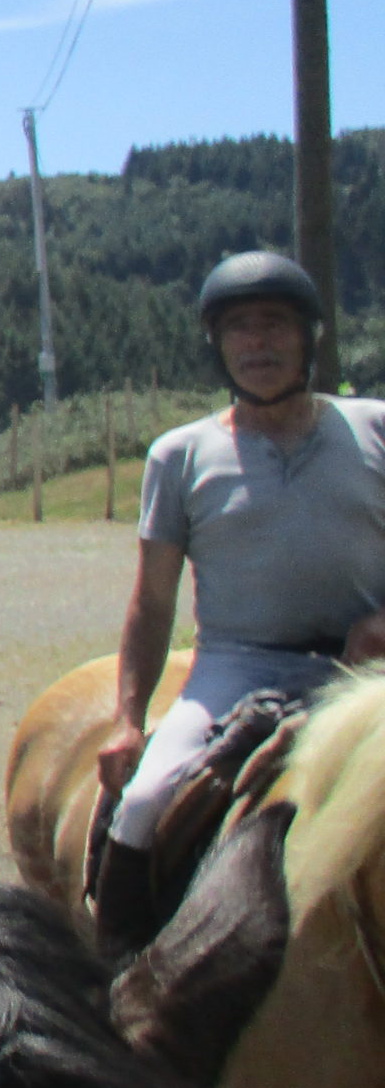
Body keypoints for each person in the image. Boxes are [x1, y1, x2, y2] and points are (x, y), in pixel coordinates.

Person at [91, 250, 385, 960]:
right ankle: (118, 977)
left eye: (276, 325)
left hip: (368, 674)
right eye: (240, 329)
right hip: (235, 669)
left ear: (309, 337)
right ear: (219, 347)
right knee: (144, 803)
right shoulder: (178, 457)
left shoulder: (378, 427)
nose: (259, 344)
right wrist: (129, 722)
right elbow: (152, 601)